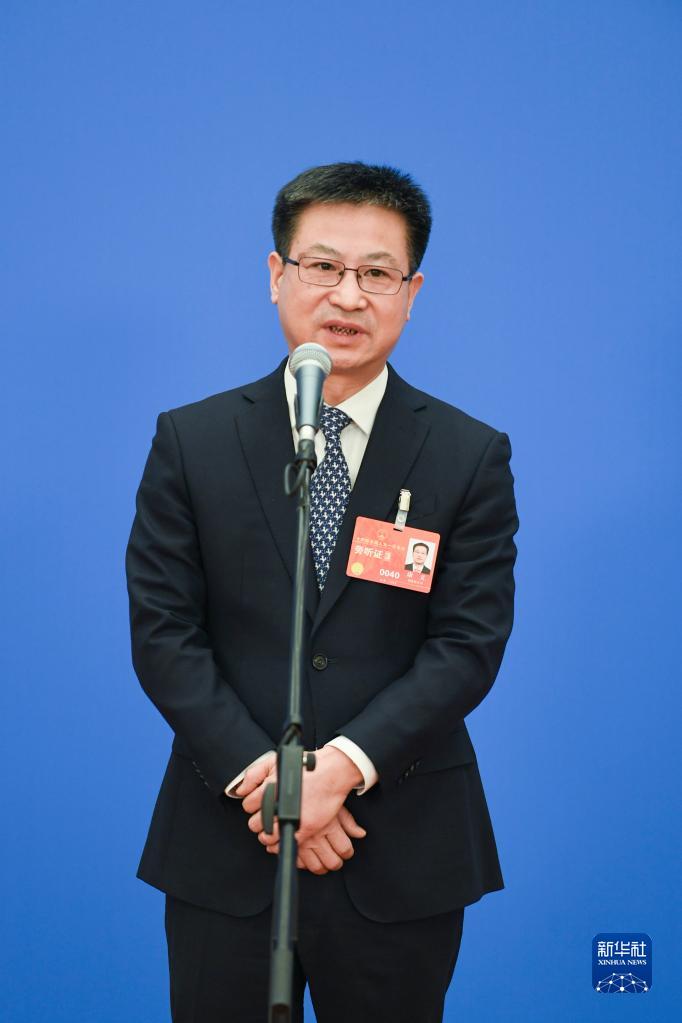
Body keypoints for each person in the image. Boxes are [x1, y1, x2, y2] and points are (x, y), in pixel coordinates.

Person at [126, 161, 518, 1023]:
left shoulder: (468, 454)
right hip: (228, 844)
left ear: (412, 292)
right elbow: (164, 633)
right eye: (323, 266)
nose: (348, 294)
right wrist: (268, 783)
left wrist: (337, 770)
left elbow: (467, 645)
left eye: (377, 273)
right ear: (277, 275)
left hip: (397, 843)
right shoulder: (192, 441)